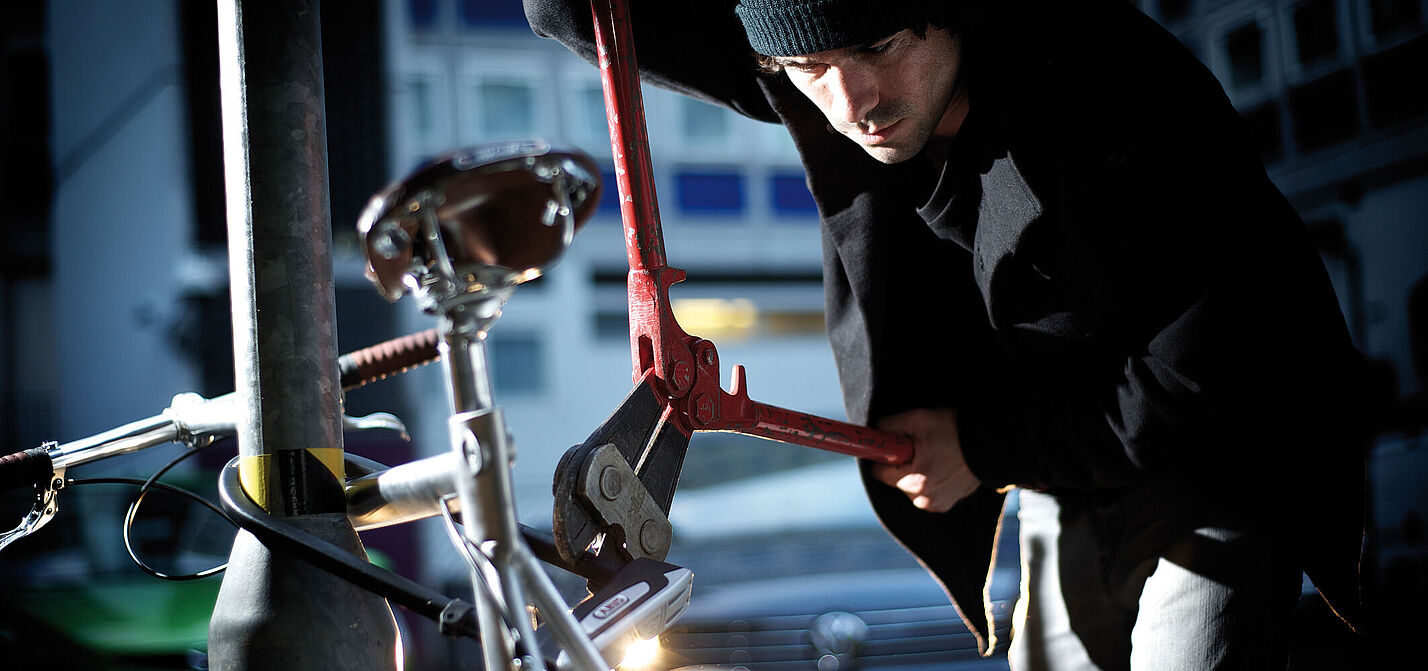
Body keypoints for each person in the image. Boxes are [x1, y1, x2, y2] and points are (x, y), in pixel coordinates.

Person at [524, 1, 1372, 668]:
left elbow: (1202, 383)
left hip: (1225, 463)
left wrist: (981, 443)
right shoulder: (823, 65)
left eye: (883, 44)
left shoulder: (1116, 95)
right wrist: (999, 446)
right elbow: (570, 9)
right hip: (1065, 472)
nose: (854, 103)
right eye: (809, 68)